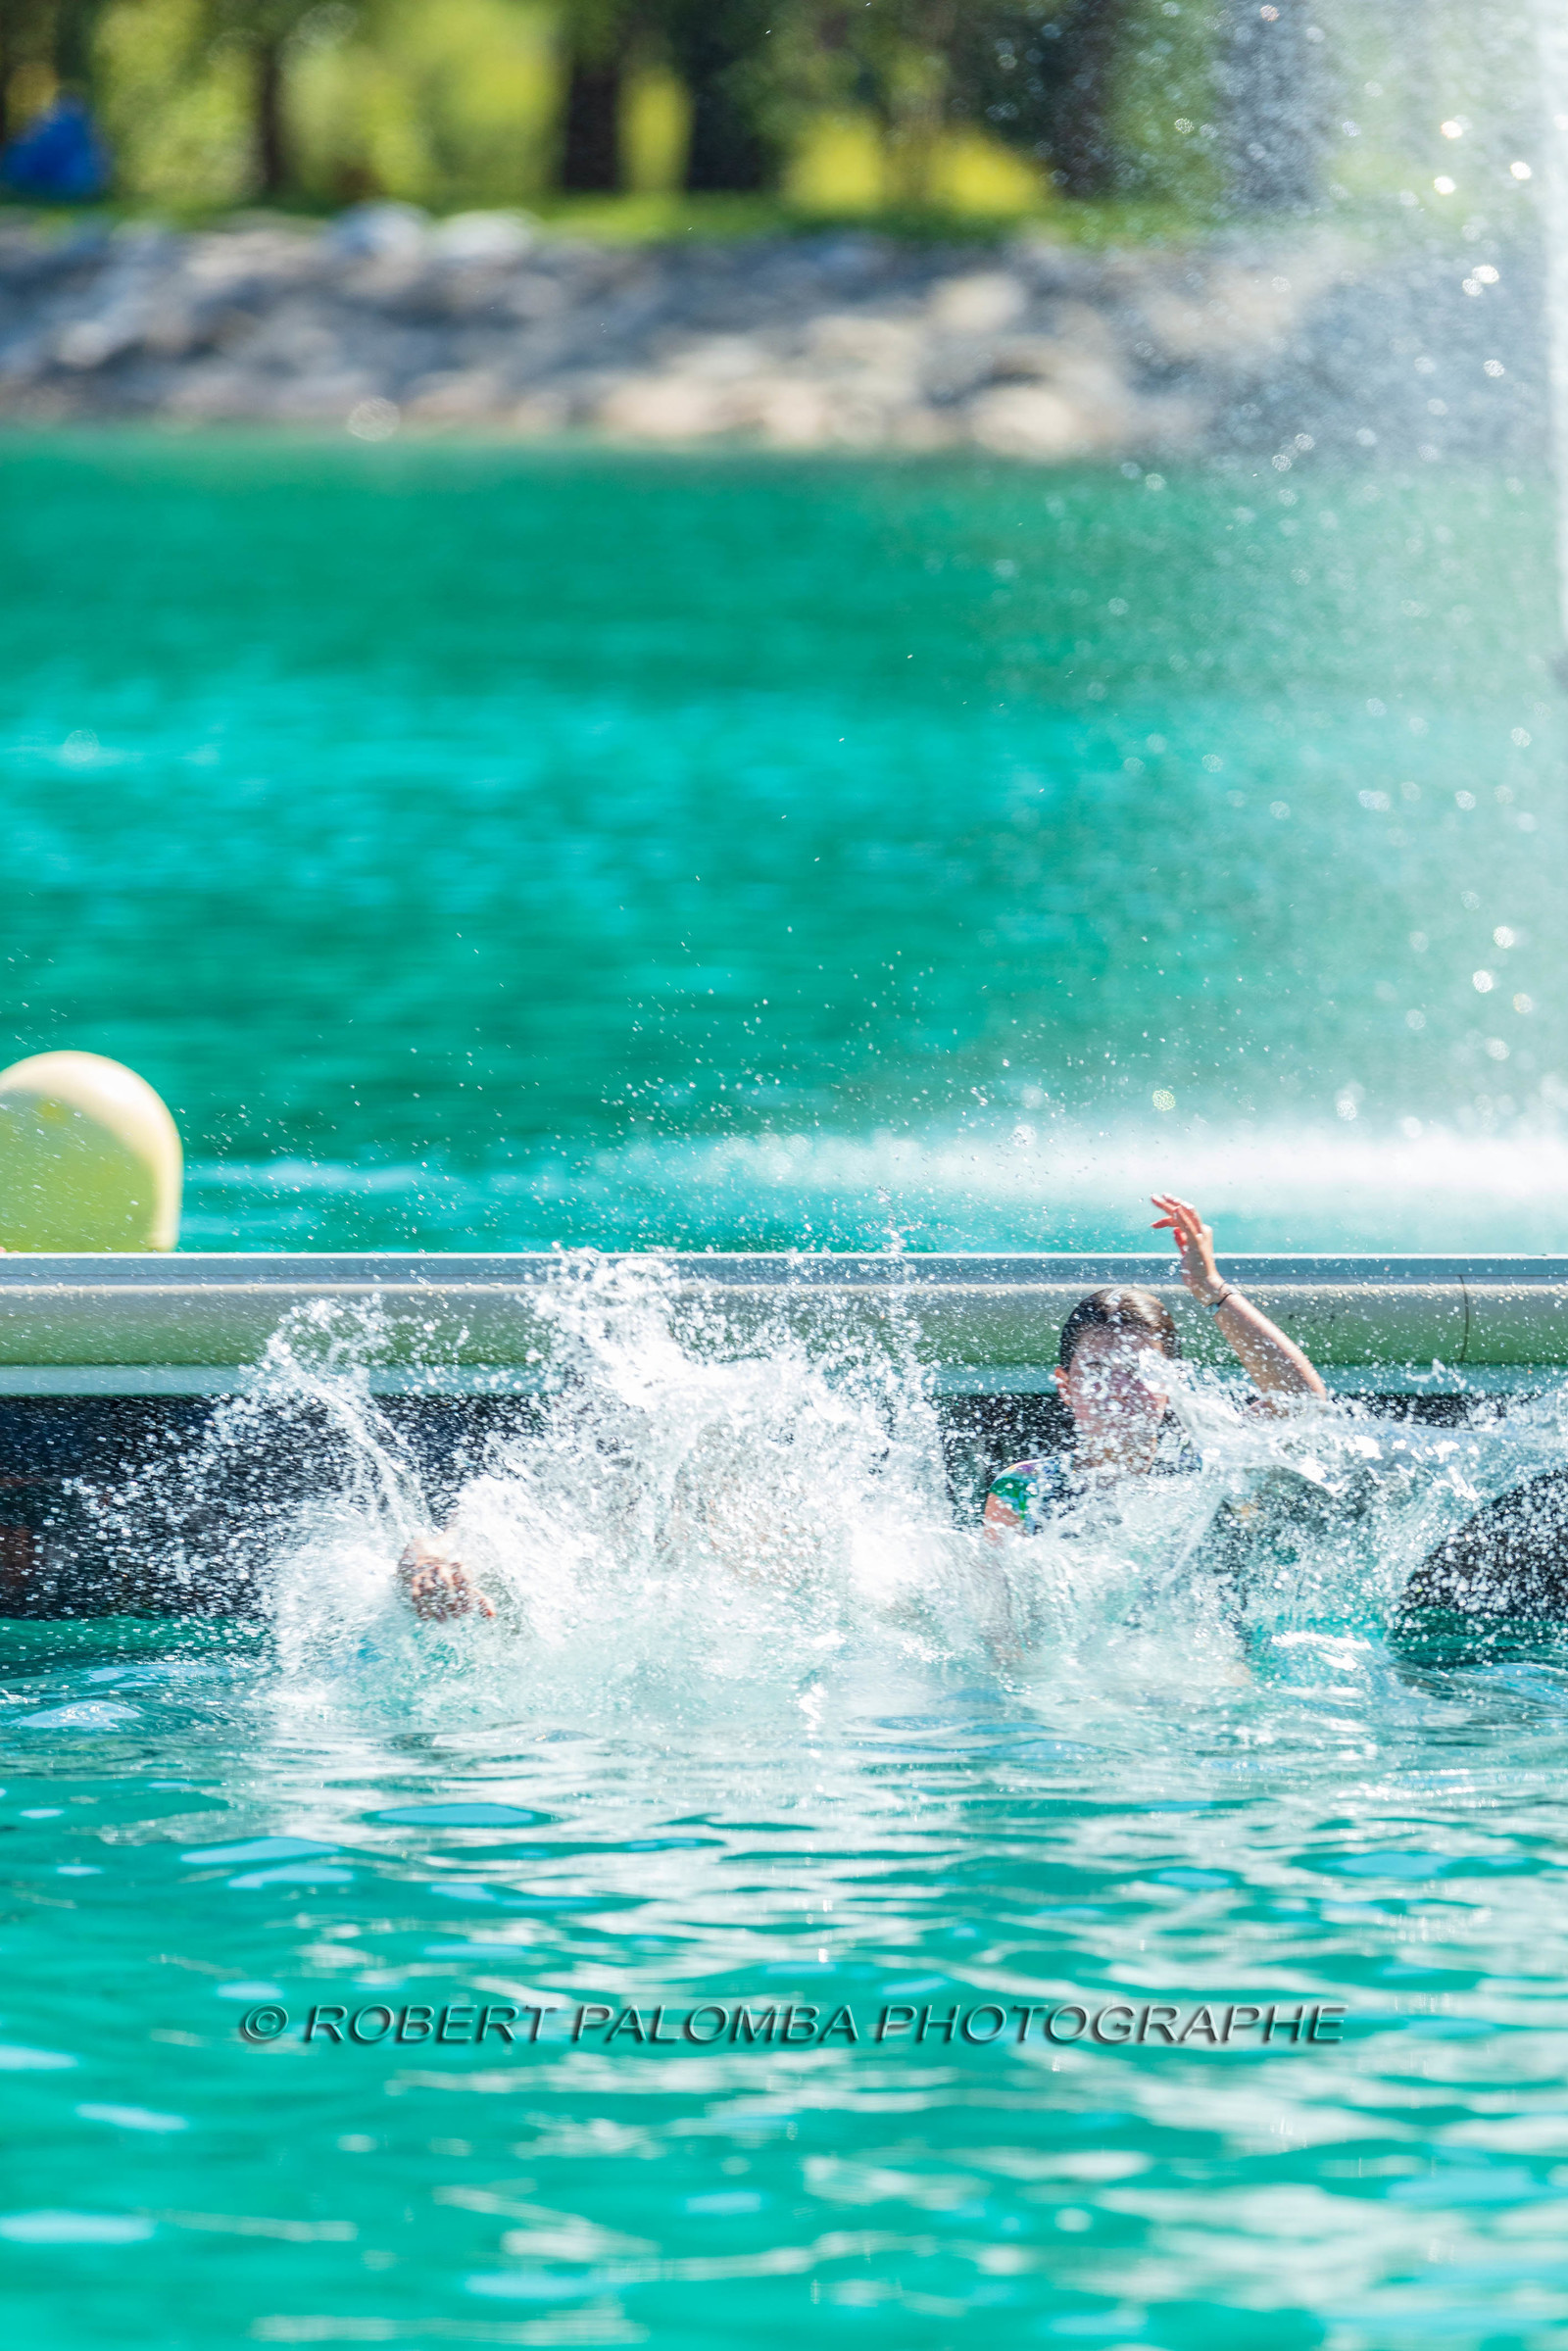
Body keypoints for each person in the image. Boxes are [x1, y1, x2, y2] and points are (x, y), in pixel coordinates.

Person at [983, 1194, 1326, 1538]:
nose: (1118, 1390)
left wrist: (1211, 1288)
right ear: (1066, 1386)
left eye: (1138, 1371)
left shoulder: (1210, 1467)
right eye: (1097, 1371)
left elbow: (1301, 1401)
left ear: (1170, 1382)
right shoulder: (1025, 1489)